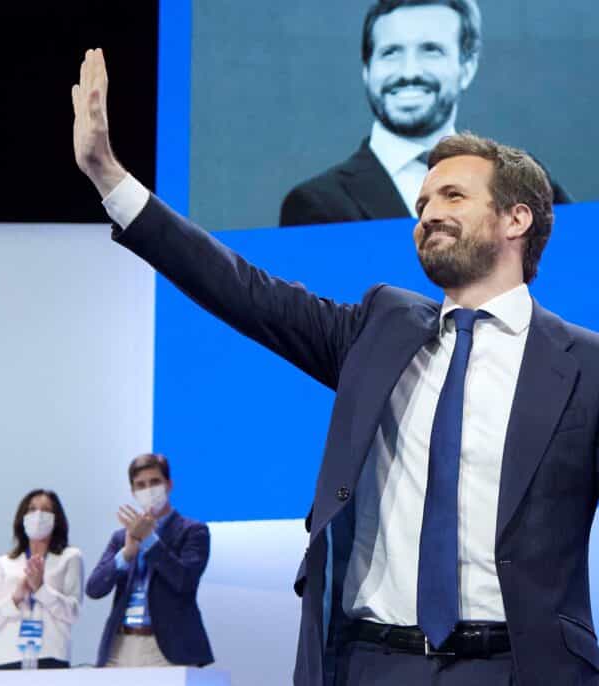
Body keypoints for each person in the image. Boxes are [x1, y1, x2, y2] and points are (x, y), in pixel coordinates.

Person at [72, 49, 599, 686]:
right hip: (369, 664)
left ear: (517, 219)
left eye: (453, 195)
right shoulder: (380, 329)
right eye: (424, 199)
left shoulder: (584, 366)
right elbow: (243, 289)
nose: (428, 213)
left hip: (522, 668)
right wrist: (110, 179)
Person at [279, 0, 571, 227]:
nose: (409, 72)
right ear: (367, 69)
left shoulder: (529, 183)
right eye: (390, 52)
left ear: (467, 67)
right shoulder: (315, 206)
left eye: (431, 50)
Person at [86, 453, 213, 668]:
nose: (148, 490)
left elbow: (184, 581)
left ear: (169, 484)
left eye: (155, 482)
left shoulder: (193, 531)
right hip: (120, 646)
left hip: (167, 648)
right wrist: (126, 554)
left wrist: (149, 540)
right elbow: (94, 588)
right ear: (134, 492)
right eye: (141, 485)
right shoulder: (121, 537)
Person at [0, 489, 83, 669]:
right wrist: (15, 598)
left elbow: (72, 613)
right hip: (7, 656)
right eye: (32, 509)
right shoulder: (4, 562)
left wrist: (41, 589)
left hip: (51, 655)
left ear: (56, 519)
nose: (38, 515)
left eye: (46, 510)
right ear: (22, 517)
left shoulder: (70, 557)